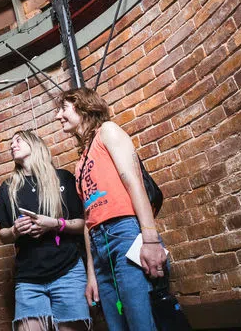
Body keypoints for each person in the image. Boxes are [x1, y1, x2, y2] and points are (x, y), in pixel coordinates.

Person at [56, 87, 167, 331]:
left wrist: (150, 240)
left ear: (83, 106)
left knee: (140, 323)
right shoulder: (80, 162)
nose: (58, 116)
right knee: (116, 326)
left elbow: (134, 182)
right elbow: (87, 218)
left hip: (124, 233)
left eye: (63, 108)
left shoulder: (108, 131)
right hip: (98, 244)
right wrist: (92, 274)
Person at [0, 130, 91, 331]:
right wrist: (15, 231)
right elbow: (3, 235)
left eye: (18, 140)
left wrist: (54, 224)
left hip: (68, 272)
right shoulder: (8, 187)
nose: (12, 145)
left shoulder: (62, 178)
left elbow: (83, 224)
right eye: (11, 143)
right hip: (29, 279)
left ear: (35, 144)